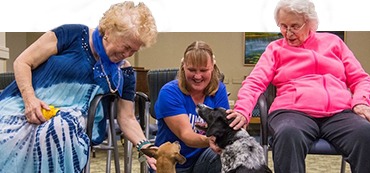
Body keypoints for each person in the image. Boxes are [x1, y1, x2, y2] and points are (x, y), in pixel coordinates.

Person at [0, 1, 157, 172]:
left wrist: (145, 146)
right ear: (109, 31)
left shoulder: (124, 73)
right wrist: (30, 100)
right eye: (126, 46)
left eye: (133, 51)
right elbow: (23, 62)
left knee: (57, 130)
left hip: (73, 118)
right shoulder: (72, 34)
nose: (127, 54)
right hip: (26, 104)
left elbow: (127, 117)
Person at [231, 0, 370, 172]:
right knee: (288, 134)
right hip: (292, 112)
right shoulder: (275, 49)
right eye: (283, 26)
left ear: (310, 23)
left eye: (294, 26)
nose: (288, 33)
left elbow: (360, 78)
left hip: (338, 113)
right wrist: (242, 110)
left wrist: (361, 102)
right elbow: (254, 82)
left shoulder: (334, 43)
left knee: (366, 133)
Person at [148, 41, 233, 173]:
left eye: (204, 70)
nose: (197, 76)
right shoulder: (169, 92)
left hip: (203, 161)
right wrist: (211, 140)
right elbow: (186, 135)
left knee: (222, 155)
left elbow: (224, 127)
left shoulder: (219, 90)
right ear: (183, 67)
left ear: (212, 68)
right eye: (192, 70)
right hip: (175, 165)